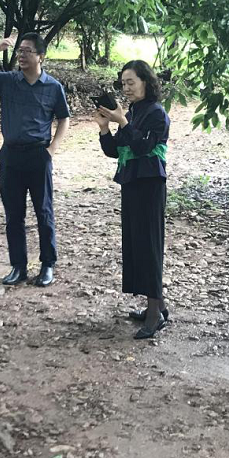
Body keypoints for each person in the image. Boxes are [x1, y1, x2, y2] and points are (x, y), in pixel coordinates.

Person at [0, 32, 70, 287]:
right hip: (11, 156)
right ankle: (18, 266)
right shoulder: (8, 81)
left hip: (38, 155)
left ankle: (47, 265)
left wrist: (52, 149)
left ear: (41, 57)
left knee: (44, 212)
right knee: (14, 215)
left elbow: (64, 119)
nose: (22, 56)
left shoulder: (53, 87)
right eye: (19, 51)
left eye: (27, 51)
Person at [96, 60, 171, 339]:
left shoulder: (157, 113)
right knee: (136, 244)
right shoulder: (133, 111)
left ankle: (154, 315)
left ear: (146, 83)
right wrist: (105, 127)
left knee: (150, 245)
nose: (126, 88)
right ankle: (158, 306)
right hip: (131, 182)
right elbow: (115, 151)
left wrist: (123, 122)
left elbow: (142, 146)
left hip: (150, 185)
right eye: (123, 83)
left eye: (131, 82)